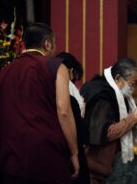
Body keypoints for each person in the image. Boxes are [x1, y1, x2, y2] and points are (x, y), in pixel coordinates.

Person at [0, 23, 79, 184]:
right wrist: (74, 152)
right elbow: (64, 111)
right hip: (44, 155)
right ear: (47, 44)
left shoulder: (5, 71)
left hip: (9, 158)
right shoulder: (56, 66)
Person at [80, 58, 137, 184]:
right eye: (132, 84)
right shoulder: (102, 96)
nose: (133, 89)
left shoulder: (113, 93)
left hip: (99, 169)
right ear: (118, 78)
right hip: (90, 169)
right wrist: (135, 117)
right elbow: (107, 132)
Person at [56, 52, 90, 184]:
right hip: (71, 145)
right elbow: (65, 112)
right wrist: (74, 153)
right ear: (70, 71)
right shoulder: (68, 88)